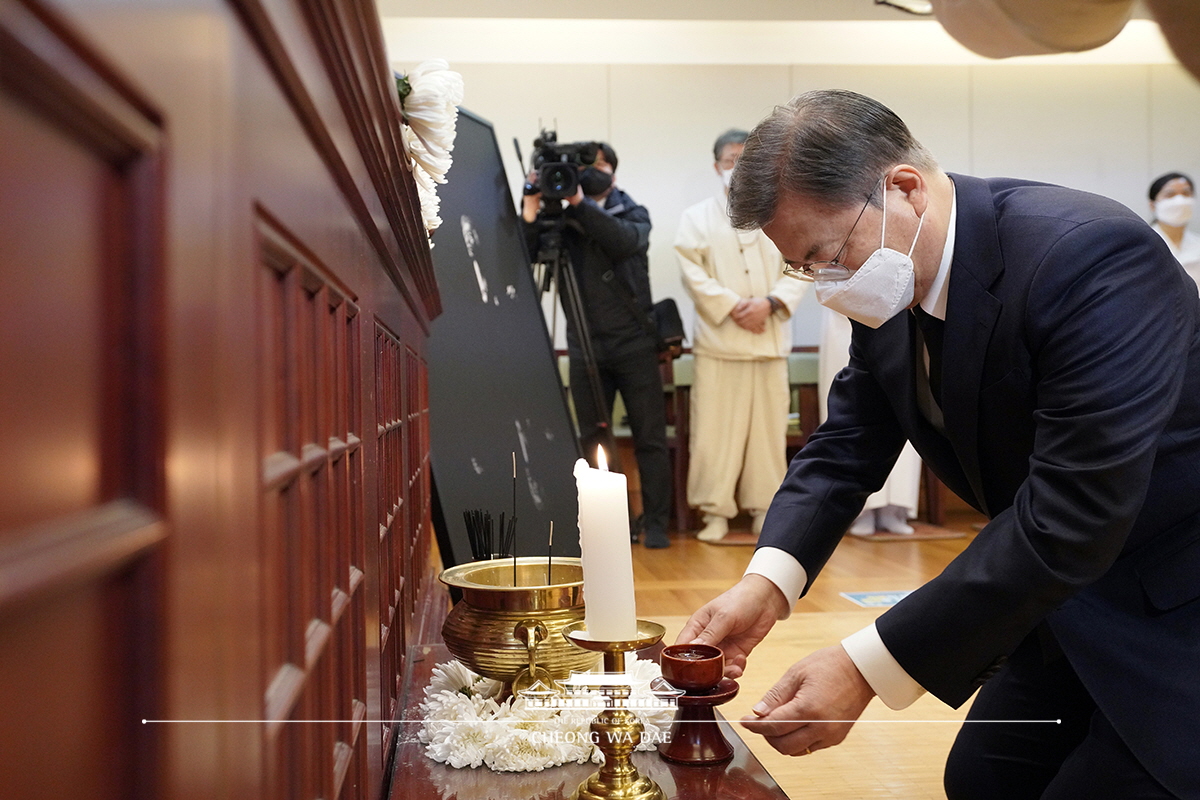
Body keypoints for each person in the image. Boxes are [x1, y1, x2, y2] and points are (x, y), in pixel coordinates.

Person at [678, 90, 1200, 799]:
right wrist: (766, 585)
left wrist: (865, 665)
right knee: (982, 780)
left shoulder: (1086, 255)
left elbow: (1073, 512)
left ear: (903, 189)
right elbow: (848, 443)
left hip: (1169, 605)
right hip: (1059, 599)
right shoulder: (890, 276)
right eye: (804, 270)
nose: (826, 286)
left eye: (825, 255)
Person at [522, 142, 672, 549]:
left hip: (635, 343)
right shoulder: (560, 219)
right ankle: (610, 523)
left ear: (614, 174)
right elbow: (525, 257)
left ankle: (656, 522)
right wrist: (531, 207)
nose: (592, 171)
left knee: (650, 438)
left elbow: (622, 241)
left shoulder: (632, 212)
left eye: (600, 165)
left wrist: (578, 202)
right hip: (584, 344)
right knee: (592, 437)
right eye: (586, 166)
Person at [674, 129, 807, 543]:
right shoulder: (696, 217)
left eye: (744, 159)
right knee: (715, 434)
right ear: (717, 166)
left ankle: (765, 510)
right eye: (730, 160)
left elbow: (801, 264)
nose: (736, 167)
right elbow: (691, 271)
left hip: (769, 342)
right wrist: (733, 305)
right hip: (720, 344)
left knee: (768, 436)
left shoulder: (782, 212)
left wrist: (771, 302)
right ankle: (714, 512)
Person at [818, 307, 921, 535]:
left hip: (898, 308)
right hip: (843, 314)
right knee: (853, 404)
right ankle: (858, 510)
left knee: (903, 403)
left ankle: (894, 508)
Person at [1148, 171, 1200, 292]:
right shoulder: (1143, 243)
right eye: (1170, 194)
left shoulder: (1197, 243)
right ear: (1153, 205)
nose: (1180, 200)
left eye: (1186, 193)